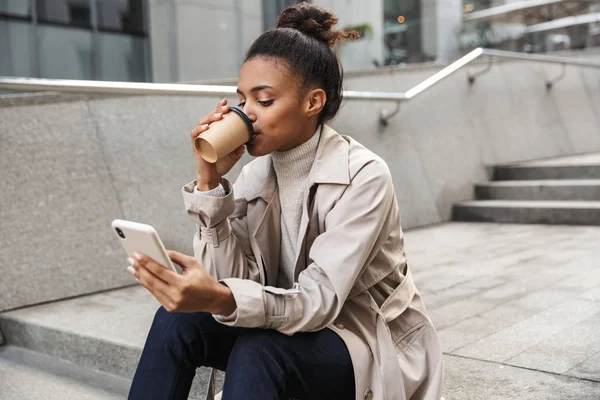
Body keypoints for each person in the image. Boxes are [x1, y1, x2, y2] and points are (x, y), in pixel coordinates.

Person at [127, 2, 442, 399]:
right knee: (176, 322)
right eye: (242, 100)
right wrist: (210, 183)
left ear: (312, 103)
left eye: (264, 100)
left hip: (360, 338)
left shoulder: (364, 175)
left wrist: (221, 297)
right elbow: (235, 279)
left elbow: (321, 302)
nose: (247, 114)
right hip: (284, 320)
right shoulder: (257, 172)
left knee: (261, 352)